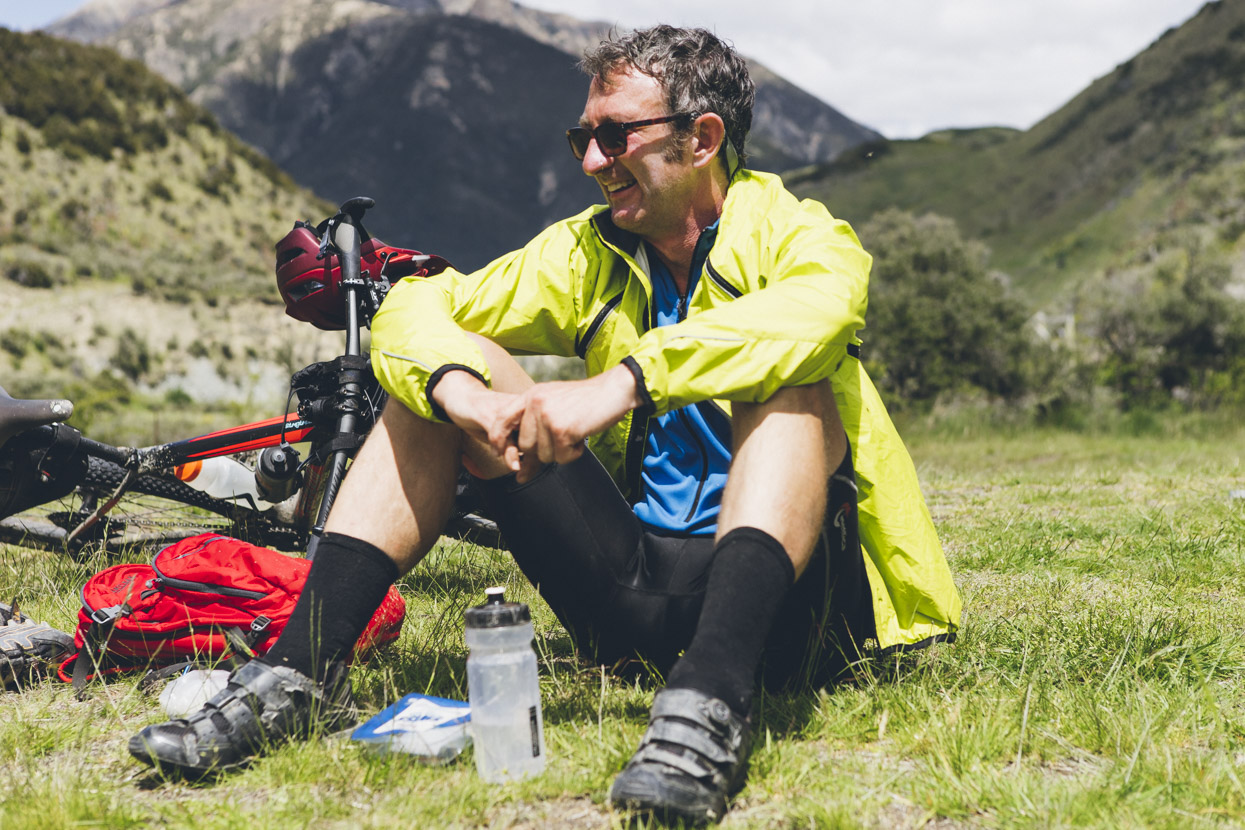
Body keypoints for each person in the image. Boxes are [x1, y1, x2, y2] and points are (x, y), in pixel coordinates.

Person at [128, 25, 961, 825]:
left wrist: (624, 383)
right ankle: (296, 677)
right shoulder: (585, 253)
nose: (593, 161)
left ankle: (712, 702)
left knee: (795, 385)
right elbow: (419, 305)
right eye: (583, 138)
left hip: (791, 614)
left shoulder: (794, 233)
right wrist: (460, 390)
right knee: (436, 377)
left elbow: (819, 310)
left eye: (616, 136)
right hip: (635, 588)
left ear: (701, 138)